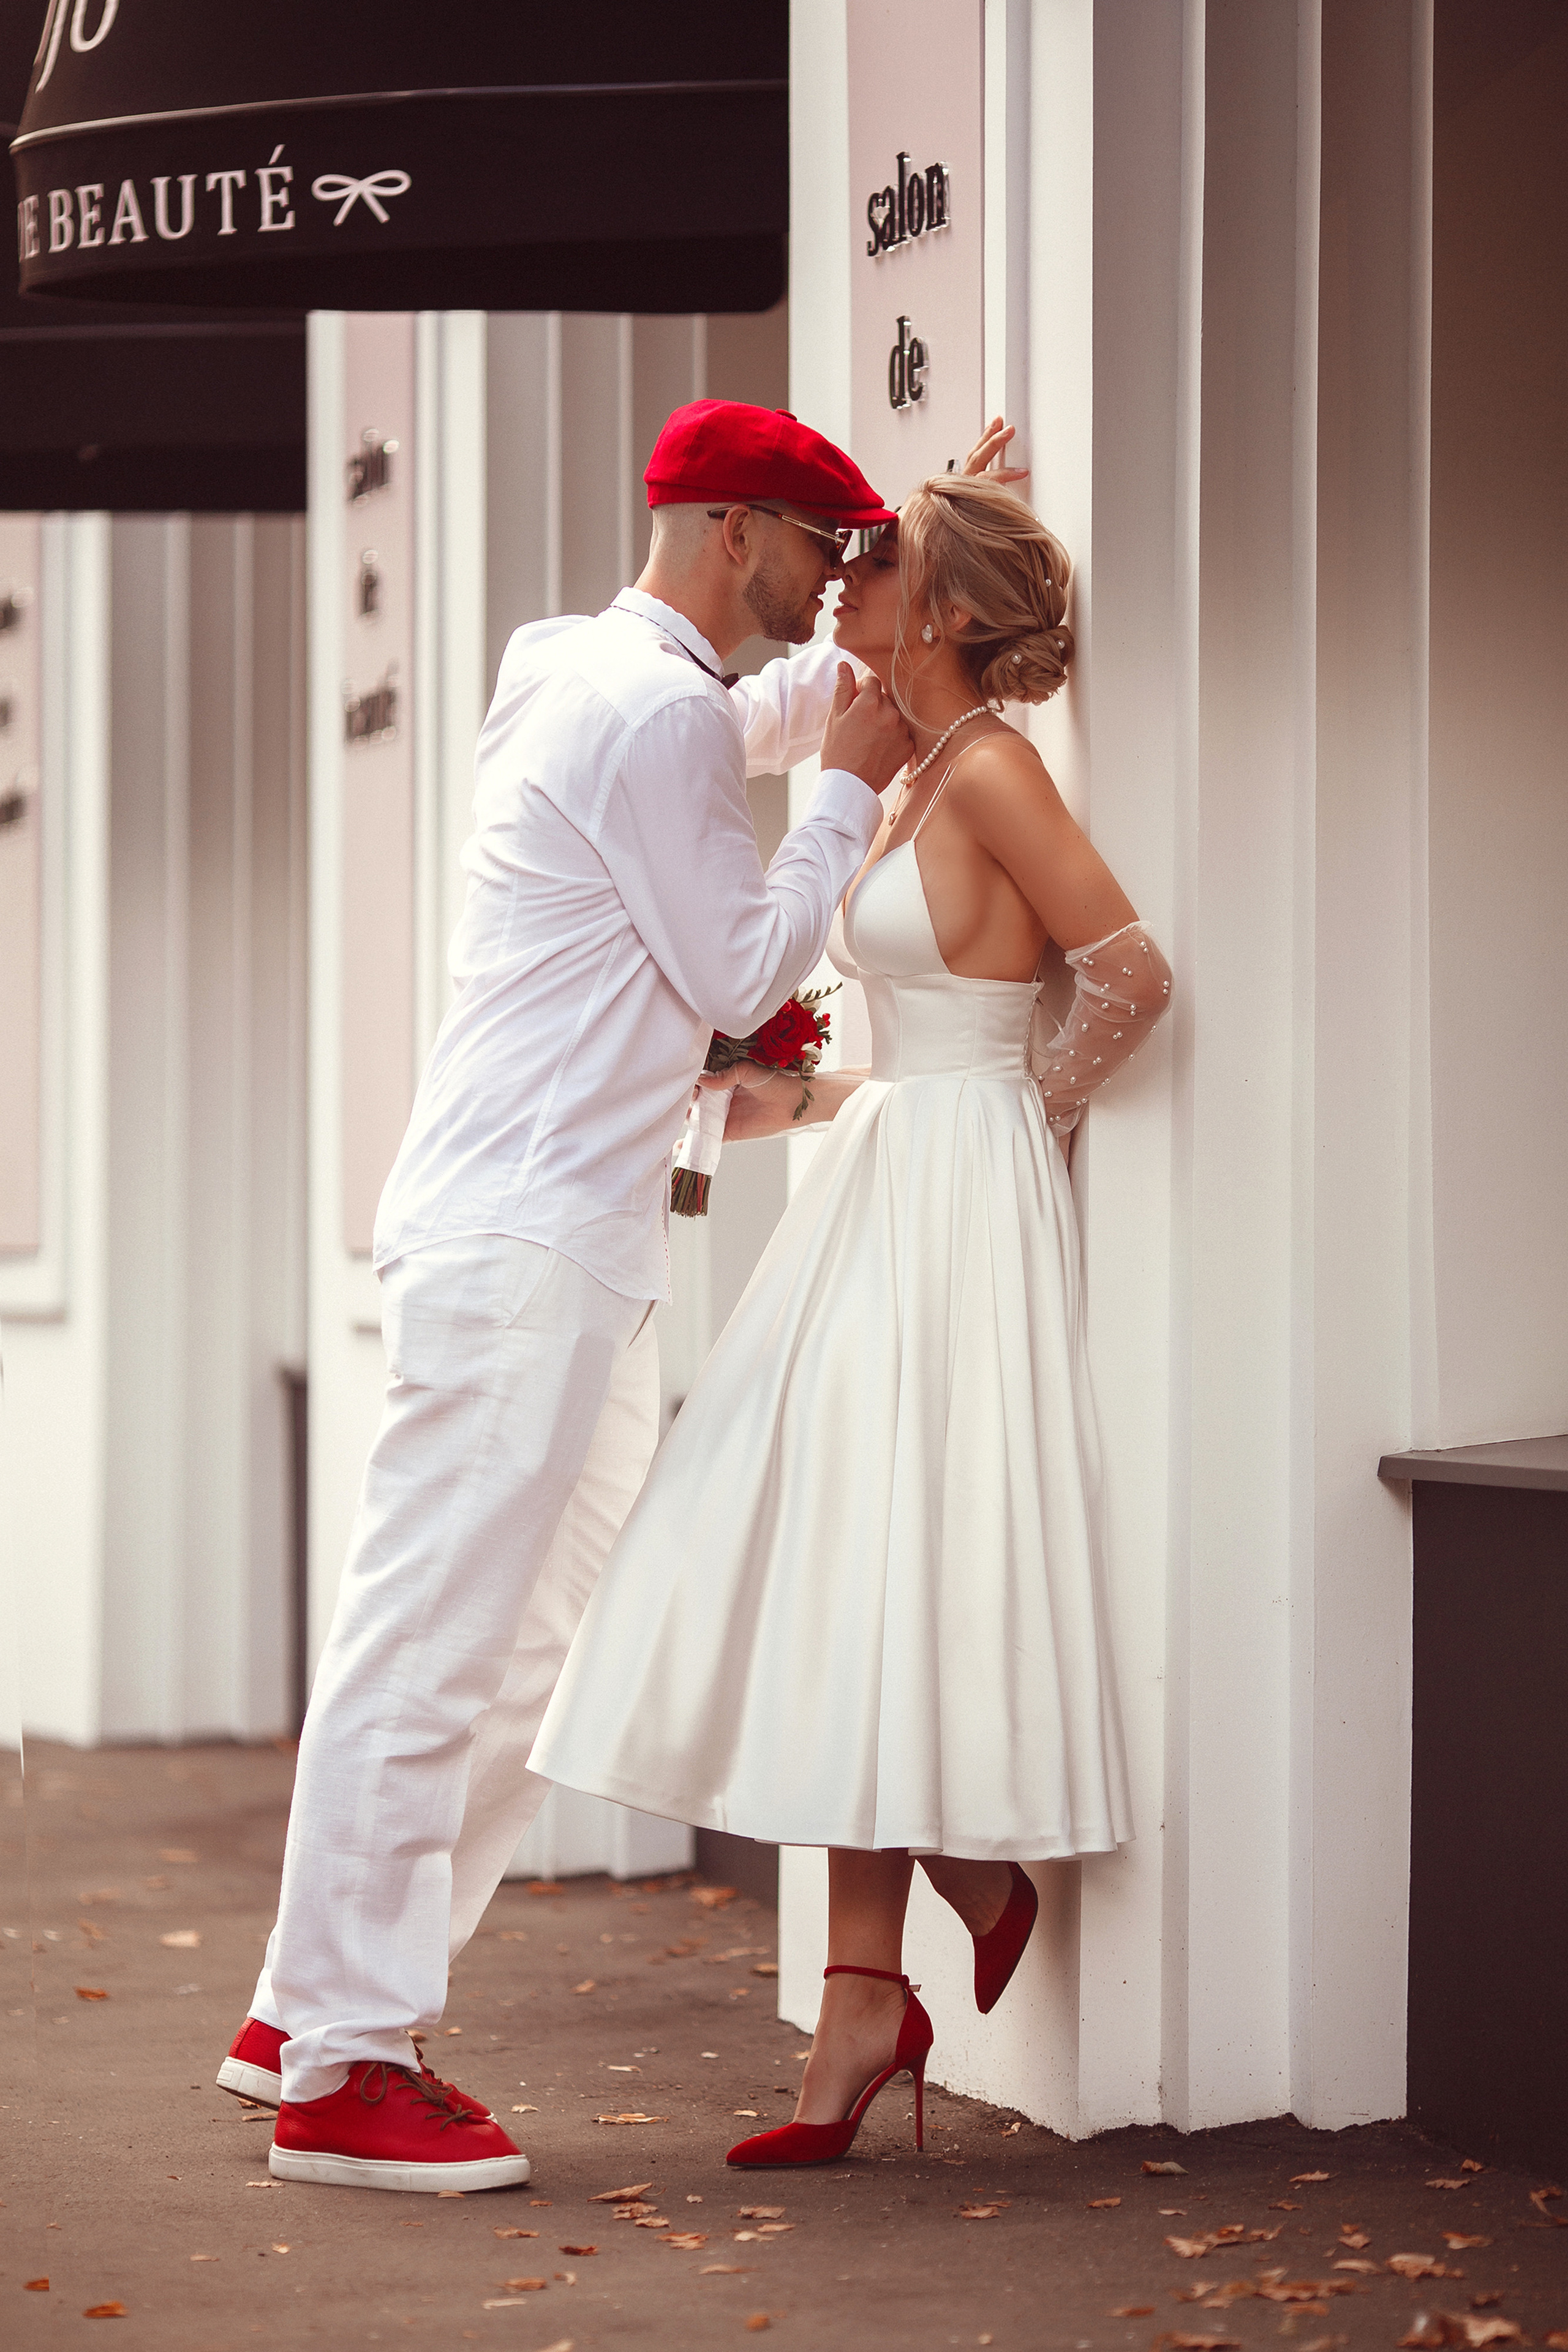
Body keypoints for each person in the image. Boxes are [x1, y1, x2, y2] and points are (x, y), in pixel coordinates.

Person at [215, 399, 918, 2193]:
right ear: (743, 533)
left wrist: (867, 652)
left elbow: (742, 726)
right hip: (531, 1239)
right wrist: (844, 790)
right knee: (432, 1639)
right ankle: (345, 2067)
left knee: (532, 1646)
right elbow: (745, 953)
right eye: (821, 558)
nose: (828, 593)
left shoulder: (597, 675)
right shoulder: (643, 707)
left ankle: (313, 2003)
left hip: (562, 1242)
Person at [531, 461, 1173, 2168]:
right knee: (831, 1554)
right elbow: (888, 1001)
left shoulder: (994, 771)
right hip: (885, 1171)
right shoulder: (913, 768)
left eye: (877, 564)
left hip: (957, 1188)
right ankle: (877, 1979)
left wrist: (1023, 1110)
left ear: (949, 614)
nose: (842, 583)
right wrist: (780, 1101)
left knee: (885, 1549)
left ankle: (878, 1982)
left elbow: (1127, 971)